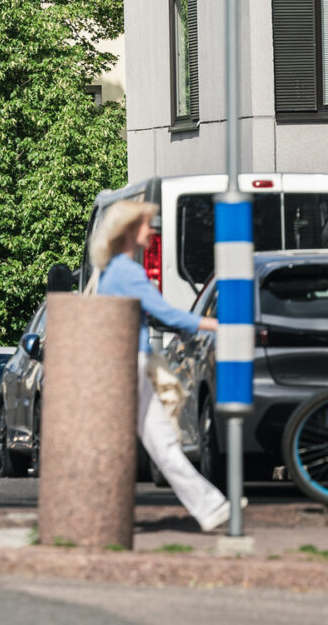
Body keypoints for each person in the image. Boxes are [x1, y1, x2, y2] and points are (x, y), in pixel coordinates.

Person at [91, 199, 232, 533]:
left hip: (127, 360)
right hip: (130, 362)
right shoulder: (127, 271)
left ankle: (211, 507)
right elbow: (165, 313)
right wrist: (214, 324)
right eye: (146, 225)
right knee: (129, 440)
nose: (151, 231)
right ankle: (96, 512)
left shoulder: (112, 270)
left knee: (162, 442)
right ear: (129, 230)